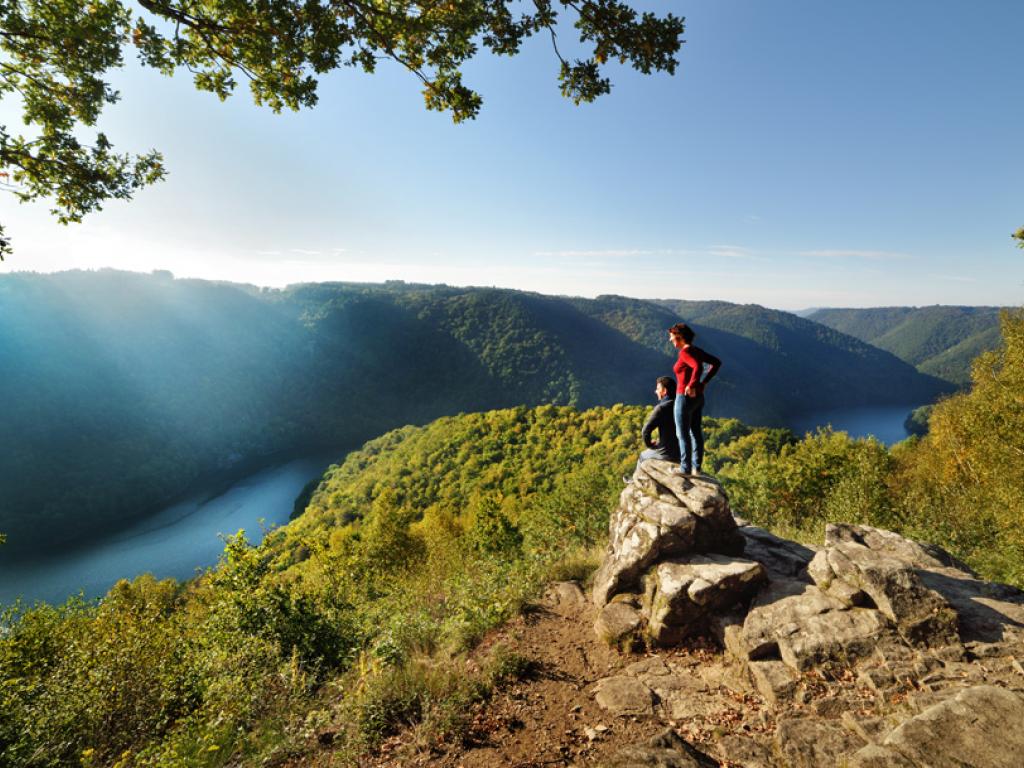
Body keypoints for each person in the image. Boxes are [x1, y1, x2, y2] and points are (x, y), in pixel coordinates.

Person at [668, 323, 722, 475]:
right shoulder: (696, 350)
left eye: (672, 337)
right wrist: (703, 383)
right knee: (695, 432)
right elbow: (716, 363)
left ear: (679, 337)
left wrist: (691, 384)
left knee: (682, 434)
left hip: (684, 398)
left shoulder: (685, 353)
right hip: (698, 398)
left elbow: (697, 366)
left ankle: (685, 469)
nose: (670, 340)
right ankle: (696, 468)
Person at [636, 375, 681, 471]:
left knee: (642, 456)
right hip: (682, 454)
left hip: (667, 454)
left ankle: (636, 481)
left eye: (657, 389)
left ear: (664, 391)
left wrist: (650, 445)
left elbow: (645, 431)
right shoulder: (682, 406)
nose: (655, 391)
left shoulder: (661, 408)